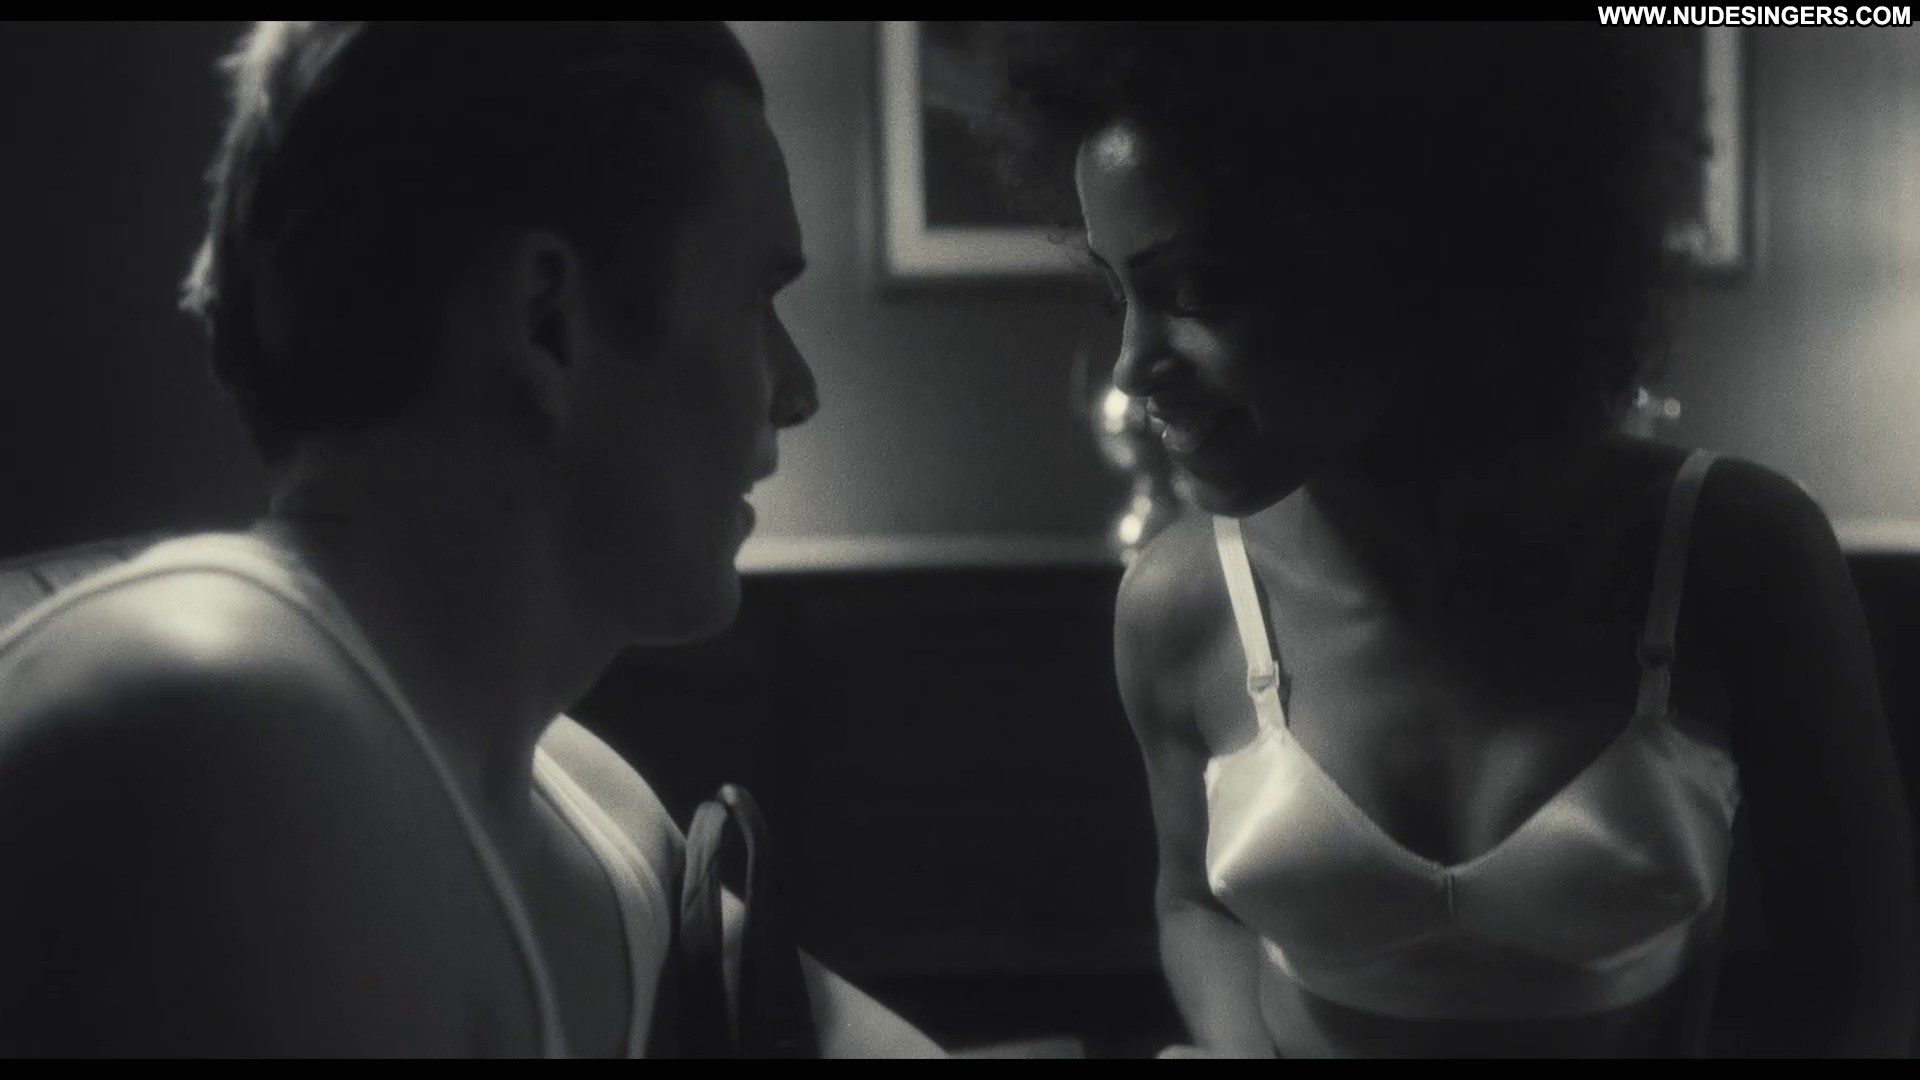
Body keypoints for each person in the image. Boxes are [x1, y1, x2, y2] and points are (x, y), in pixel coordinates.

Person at [0, 21, 942, 1058]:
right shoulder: (212, 742)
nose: (797, 391)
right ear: (547, 322)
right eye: (756, 297)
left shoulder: (592, 805)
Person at [990, 22, 1917, 1057]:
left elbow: (1867, 990)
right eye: (1116, 291)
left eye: (1198, 289)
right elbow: (1192, 903)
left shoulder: (1733, 552)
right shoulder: (1180, 602)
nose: (1131, 366)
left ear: (1415, 254)